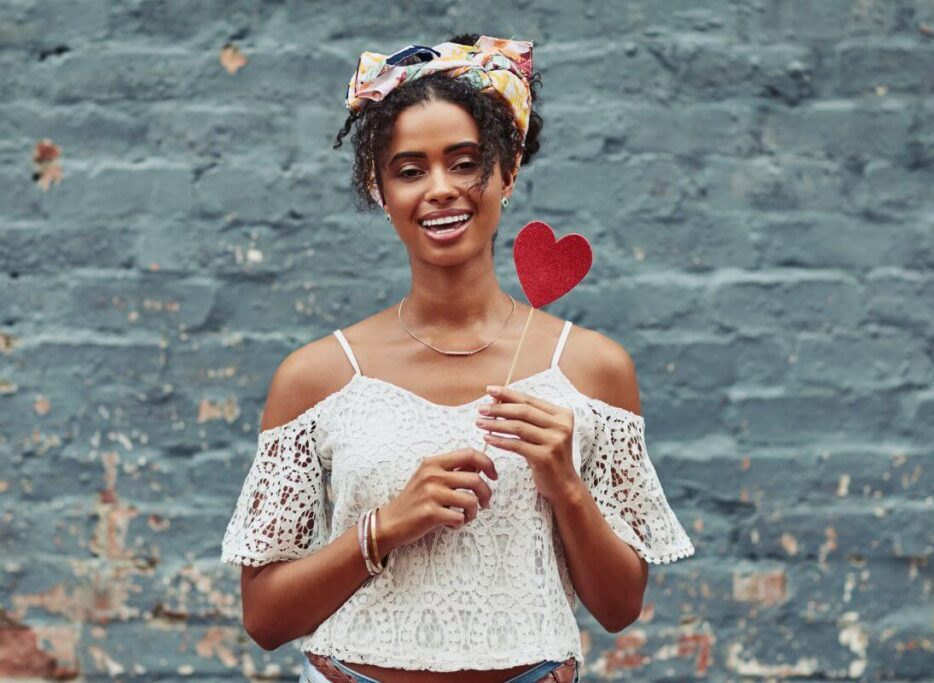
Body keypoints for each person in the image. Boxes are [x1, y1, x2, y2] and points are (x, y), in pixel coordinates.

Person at [220, 33, 695, 683]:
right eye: (409, 169)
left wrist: (565, 484)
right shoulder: (315, 376)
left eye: (464, 162)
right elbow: (265, 619)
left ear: (506, 173)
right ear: (378, 188)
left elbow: (619, 607)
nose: (439, 189)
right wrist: (383, 527)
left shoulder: (592, 368)